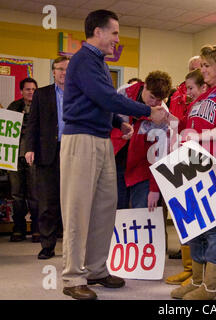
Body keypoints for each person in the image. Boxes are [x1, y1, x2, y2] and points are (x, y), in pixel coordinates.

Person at [60, 9, 167, 301]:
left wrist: (117, 122)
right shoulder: (83, 60)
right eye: (115, 33)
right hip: (80, 139)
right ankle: (72, 276)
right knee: (77, 209)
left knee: (104, 208)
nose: (117, 39)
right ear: (99, 32)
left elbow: (98, 102)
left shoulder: (99, 63)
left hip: (101, 138)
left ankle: (95, 268)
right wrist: (147, 111)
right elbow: (104, 97)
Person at [170, 44, 216, 300]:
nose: (202, 70)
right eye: (201, 66)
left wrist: (199, 136)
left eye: (206, 65)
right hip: (196, 164)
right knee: (198, 227)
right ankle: (199, 281)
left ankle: (211, 289)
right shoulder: (206, 93)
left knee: (214, 230)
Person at [165, 69, 207, 286]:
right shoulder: (189, 105)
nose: (186, 93)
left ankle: (198, 274)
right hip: (184, 160)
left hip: (202, 165)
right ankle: (189, 269)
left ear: (203, 87)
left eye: (190, 89)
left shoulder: (208, 106)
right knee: (185, 217)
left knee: (200, 223)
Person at [25, 56, 69, 259]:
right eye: (59, 69)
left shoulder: (79, 94)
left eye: (67, 69)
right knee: (47, 202)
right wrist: (29, 148)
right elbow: (32, 124)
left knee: (71, 201)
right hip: (47, 153)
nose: (63, 73)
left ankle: (72, 247)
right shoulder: (42, 94)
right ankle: (47, 245)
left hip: (73, 151)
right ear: (53, 71)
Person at [112, 70, 172, 211]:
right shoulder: (124, 92)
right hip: (118, 161)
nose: (154, 103)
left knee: (142, 214)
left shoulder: (162, 113)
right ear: (144, 86)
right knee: (117, 212)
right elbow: (111, 117)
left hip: (142, 170)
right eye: (152, 97)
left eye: (159, 100)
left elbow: (160, 154)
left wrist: (154, 188)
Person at [167, 56, 202, 261]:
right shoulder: (177, 95)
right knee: (184, 206)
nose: (198, 71)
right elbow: (175, 125)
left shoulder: (210, 95)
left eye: (202, 67)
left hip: (200, 154)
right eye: (194, 68)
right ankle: (187, 256)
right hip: (180, 152)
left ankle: (197, 259)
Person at [7, 77, 39, 243]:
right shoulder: (13, 106)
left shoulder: (41, 106)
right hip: (14, 157)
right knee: (17, 194)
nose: (31, 92)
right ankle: (18, 228)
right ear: (21, 91)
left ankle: (36, 229)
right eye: (27, 89)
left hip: (34, 158)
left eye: (33, 89)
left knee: (34, 194)